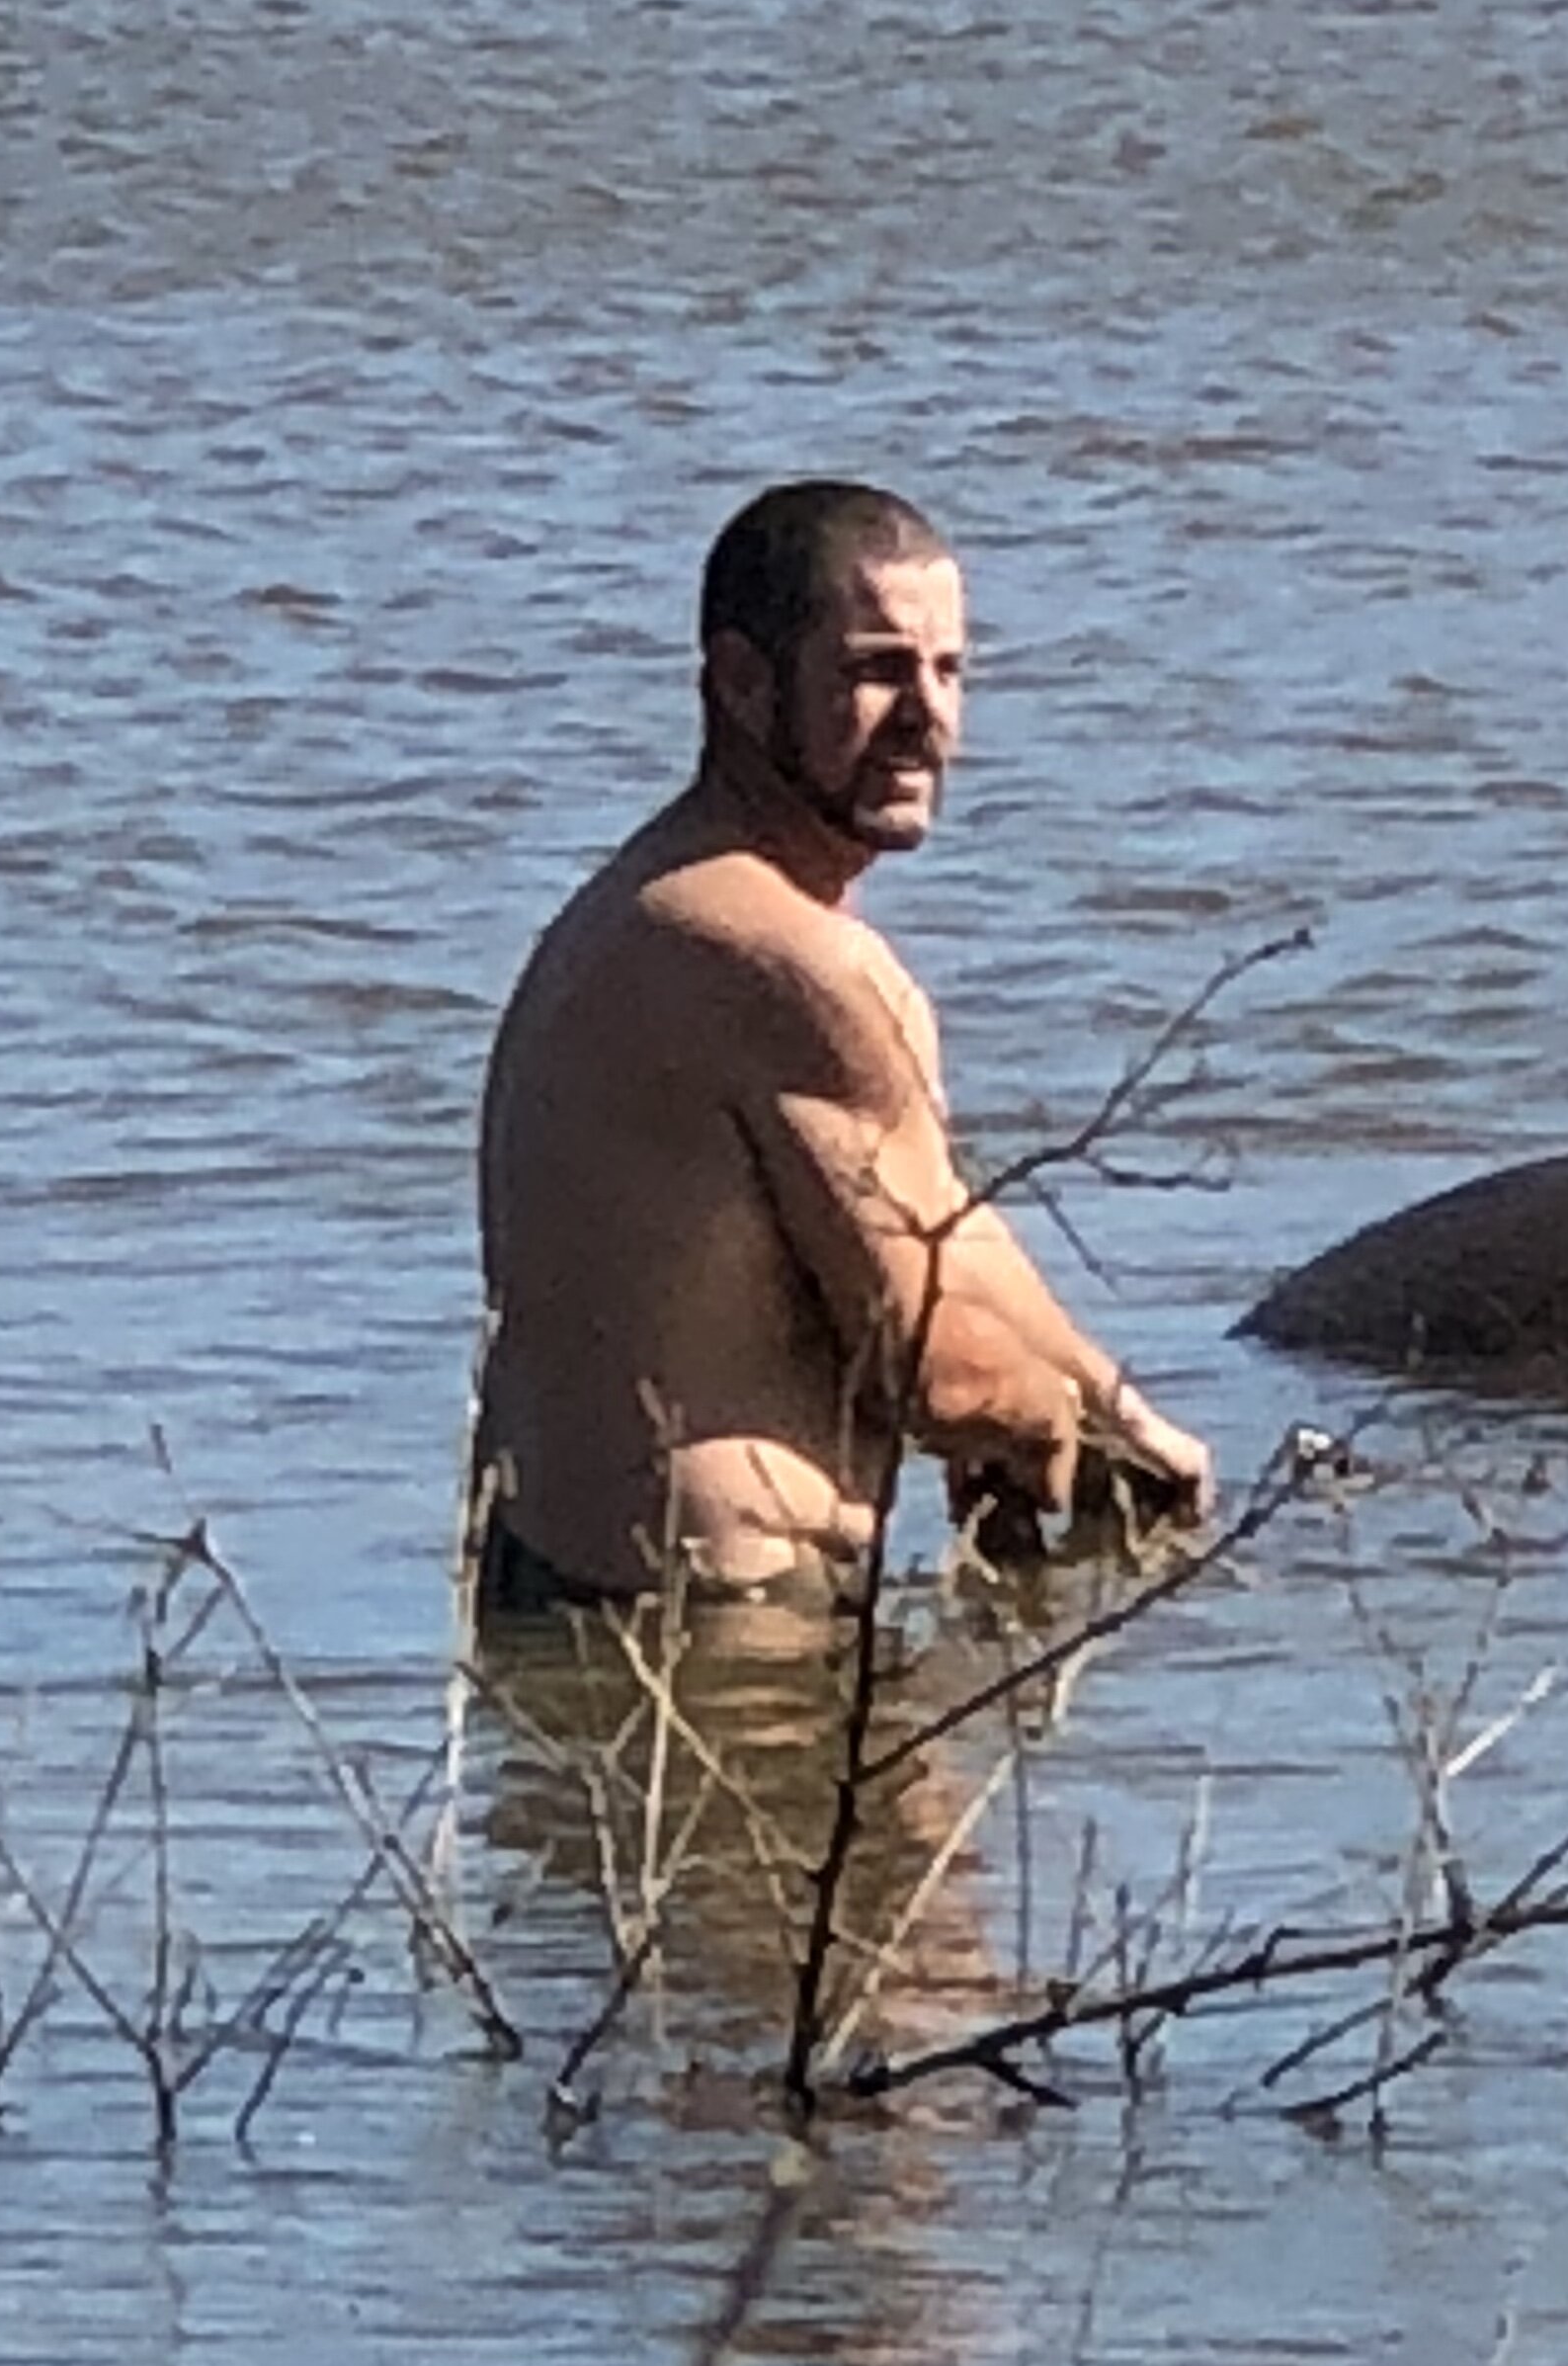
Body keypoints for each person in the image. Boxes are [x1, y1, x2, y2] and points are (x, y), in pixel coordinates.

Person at [473, 479, 1214, 1609]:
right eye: (876, 670)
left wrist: (1114, 1406)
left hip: (556, 1597)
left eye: (951, 670)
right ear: (741, 681)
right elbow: (929, 1366)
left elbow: (938, 1214)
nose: (929, 716)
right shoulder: (780, 963)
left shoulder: (653, 910)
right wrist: (1058, 1439)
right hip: (719, 1646)